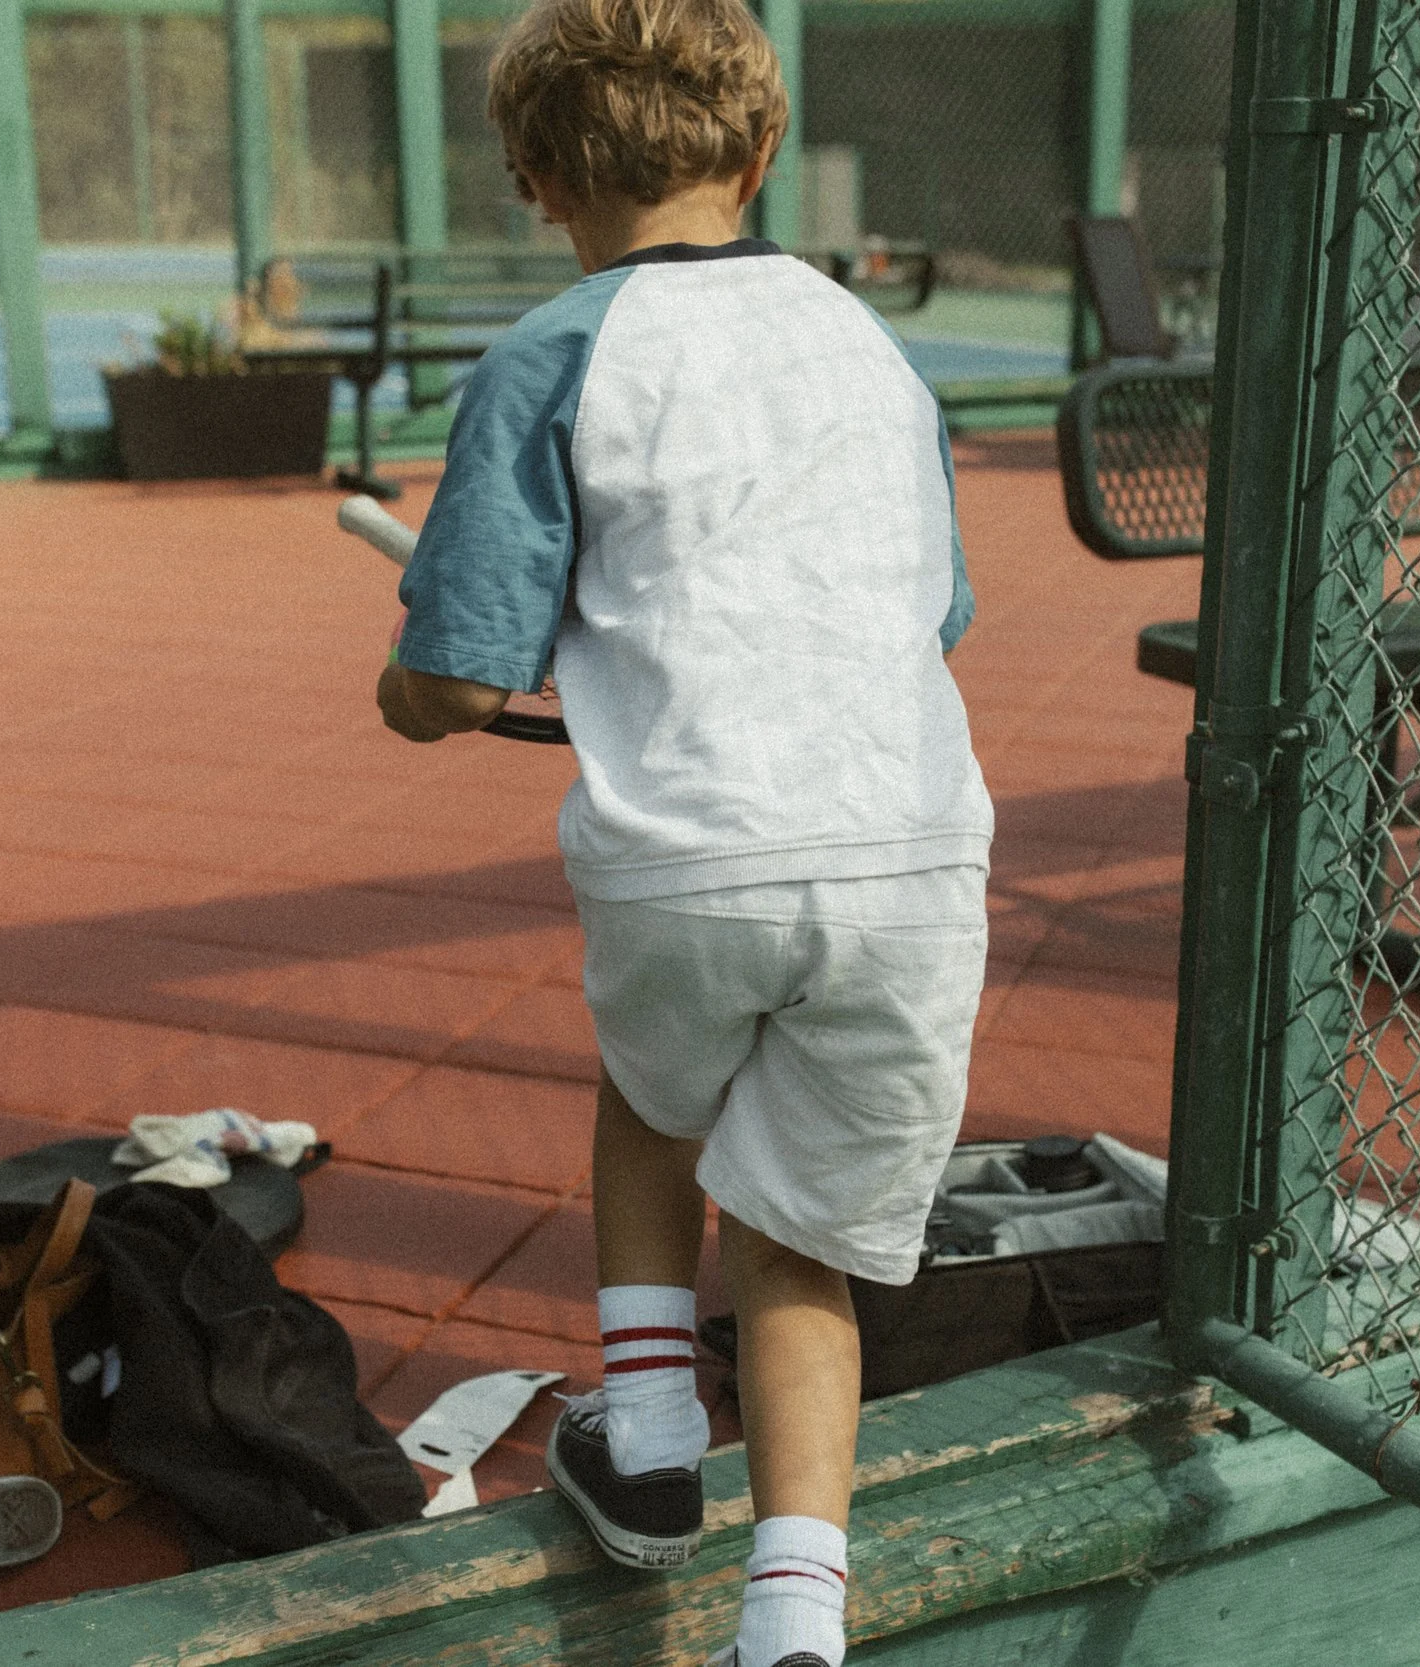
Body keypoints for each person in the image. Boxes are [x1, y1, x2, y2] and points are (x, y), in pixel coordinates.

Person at [373, 0, 990, 1657]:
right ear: (763, 146)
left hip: (692, 867)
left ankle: (647, 1432)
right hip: (917, 863)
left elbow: (458, 672)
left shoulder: (553, 354)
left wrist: (409, 692)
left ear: (533, 178)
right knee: (798, 1247)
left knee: (654, 1098)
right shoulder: (872, 350)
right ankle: (796, 1611)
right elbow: (930, 614)